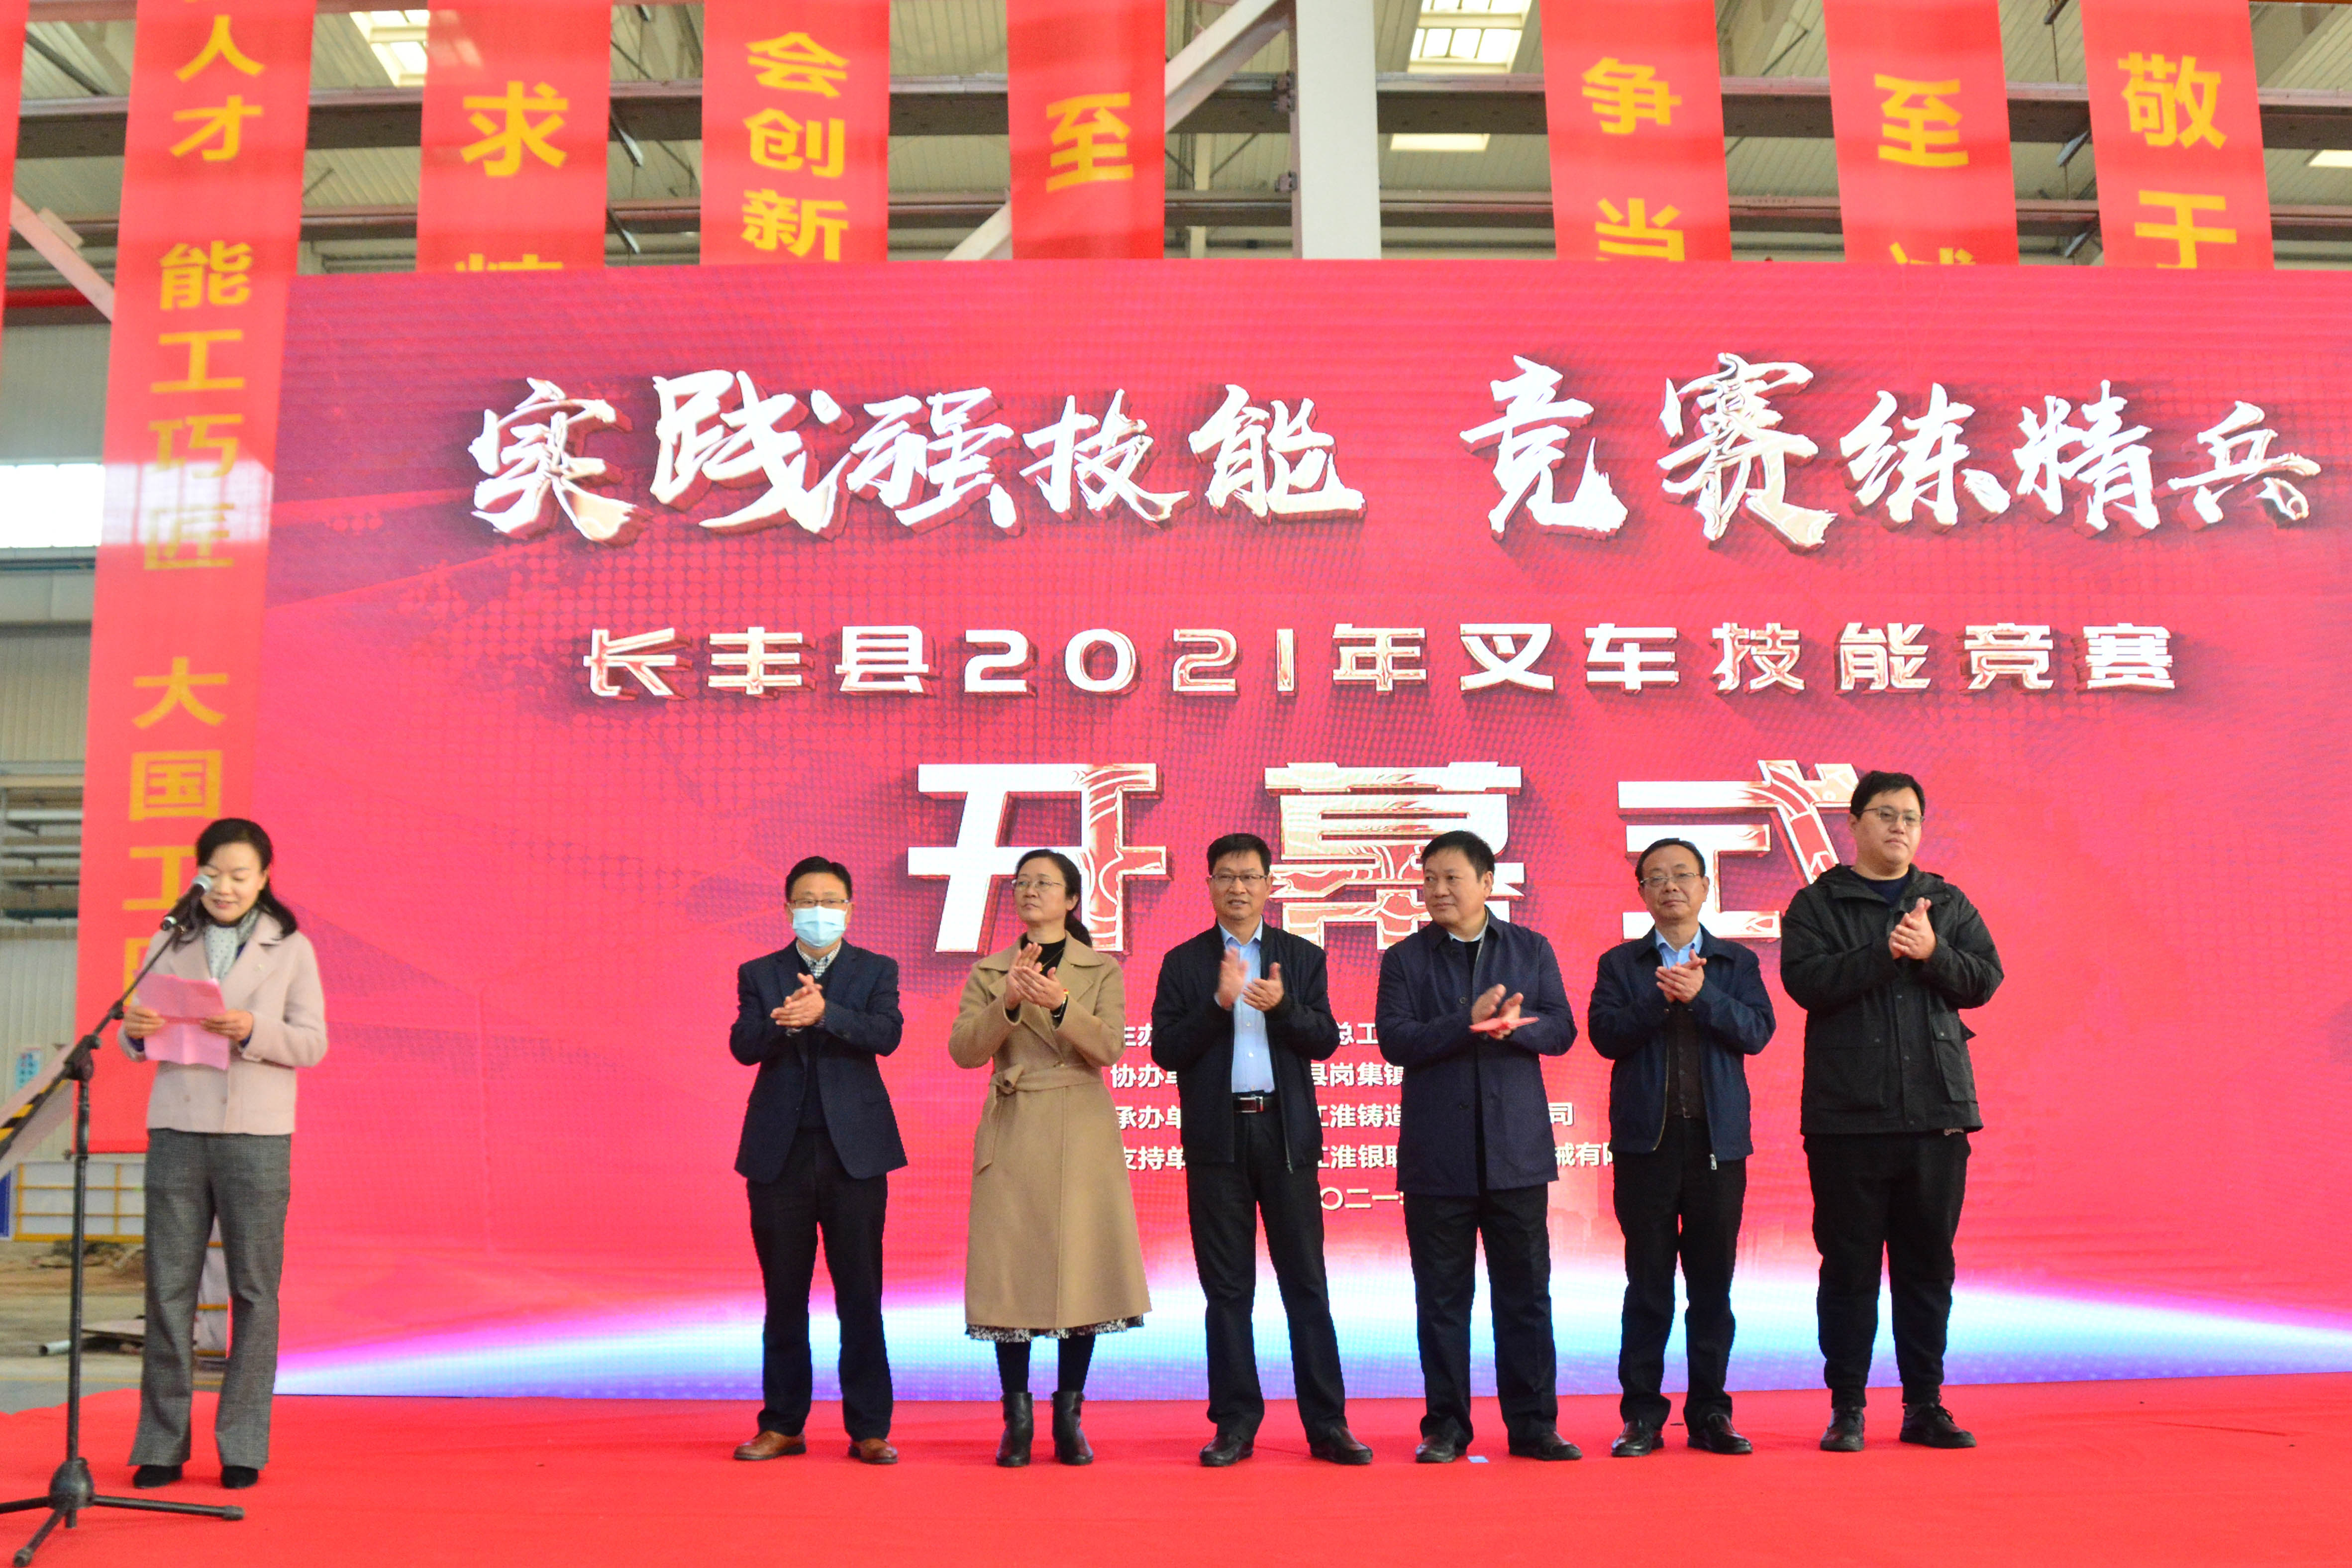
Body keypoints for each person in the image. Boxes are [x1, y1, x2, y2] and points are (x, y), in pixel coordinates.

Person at [1781, 771, 2003, 1453]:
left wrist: (1933, 953)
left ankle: (1923, 1404)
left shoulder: (1946, 901)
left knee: (1926, 1267)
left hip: (1935, 1114)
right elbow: (1805, 981)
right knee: (1847, 1270)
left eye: (1910, 816)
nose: (1899, 826)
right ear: (1853, 823)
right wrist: (1882, 952)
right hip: (1846, 1119)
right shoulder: (1817, 903)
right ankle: (1846, 1406)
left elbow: (1984, 978)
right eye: (1885, 814)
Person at [117, 818, 327, 1491]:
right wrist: (135, 1030)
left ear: (264, 878)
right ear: (198, 873)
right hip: (177, 1128)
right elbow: (136, 1030)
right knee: (167, 1288)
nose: (226, 886)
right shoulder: (168, 938)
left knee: (254, 1291)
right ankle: (161, 1444)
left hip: (255, 1134)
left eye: (241, 875)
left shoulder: (290, 946)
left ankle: (242, 1444)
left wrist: (253, 1028)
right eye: (214, 873)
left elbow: (312, 1042)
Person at [1151, 833, 1373, 1468]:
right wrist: (1218, 1005)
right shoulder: (1183, 962)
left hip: (1285, 1137)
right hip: (1217, 1141)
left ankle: (1327, 1424)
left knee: (1306, 1283)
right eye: (1225, 876)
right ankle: (1234, 1424)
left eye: (1249, 876)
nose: (1237, 887)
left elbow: (1324, 1039)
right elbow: (1166, 1051)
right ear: (1208, 885)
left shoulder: (1300, 957)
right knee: (1227, 1290)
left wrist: (1282, 1008)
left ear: (1269, 885)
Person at [1376, 830, 1580, 1463]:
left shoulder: (1529, 948)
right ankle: (1445, 1427)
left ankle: (1534, 1425)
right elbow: (1395, 1041)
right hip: (1436, 1159)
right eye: (1428, 878)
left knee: (1526, 1298)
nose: (1436, 889)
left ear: (1487, 883)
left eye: (1450, 878)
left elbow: (1562, 1029)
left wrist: (1513, 1027)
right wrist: (1464, 1024)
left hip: (1516, 1155)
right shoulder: (1405, 958)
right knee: (1441, 1302)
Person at [949, 849, 1149, 1467]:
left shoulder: (1101, 969)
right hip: (1014, 1122)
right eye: (1022, 882)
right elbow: (963, 1051)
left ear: (1071, 898)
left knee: (1080, 1268)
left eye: (1044, 882)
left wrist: (1061, 1004)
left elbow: (1109, 1047)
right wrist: (1007, 1003)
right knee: (1009, 1273)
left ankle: (1069, 1418)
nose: (1030, 891)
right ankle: (1016, 1420)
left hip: (1079, 1128)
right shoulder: (990, 970)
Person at [1588, 838, 1775, 1459]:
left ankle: (1710, 1413)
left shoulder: (1735, 961)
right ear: (1641, 892)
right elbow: (1604, 1036)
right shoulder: (1620, 963)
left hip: (1718, 1147)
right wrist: (1658, 997)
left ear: (1703, 887)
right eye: (1657, 877)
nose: (1670, 886)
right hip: (1646, 1146)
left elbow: (1756, 1031)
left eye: (1682, 875)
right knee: (1646, 1286)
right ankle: (1640, 1415)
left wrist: (1702, 995)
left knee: (1711, 1287)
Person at [727, 855, 906, 1466]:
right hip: (777, 1154)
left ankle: (869, 1429)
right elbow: (742, 1045)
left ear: (850, 909)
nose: (819, 910)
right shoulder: (760, 972)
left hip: (855, 1154)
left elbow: (886, 1034)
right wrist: (786, 1021)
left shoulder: (876, 969)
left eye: (830, 900)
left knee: (861, 1294)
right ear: (787, 909)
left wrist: (826, 1012)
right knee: (783, 1296)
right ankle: (782, 1424)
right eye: (807, 900)